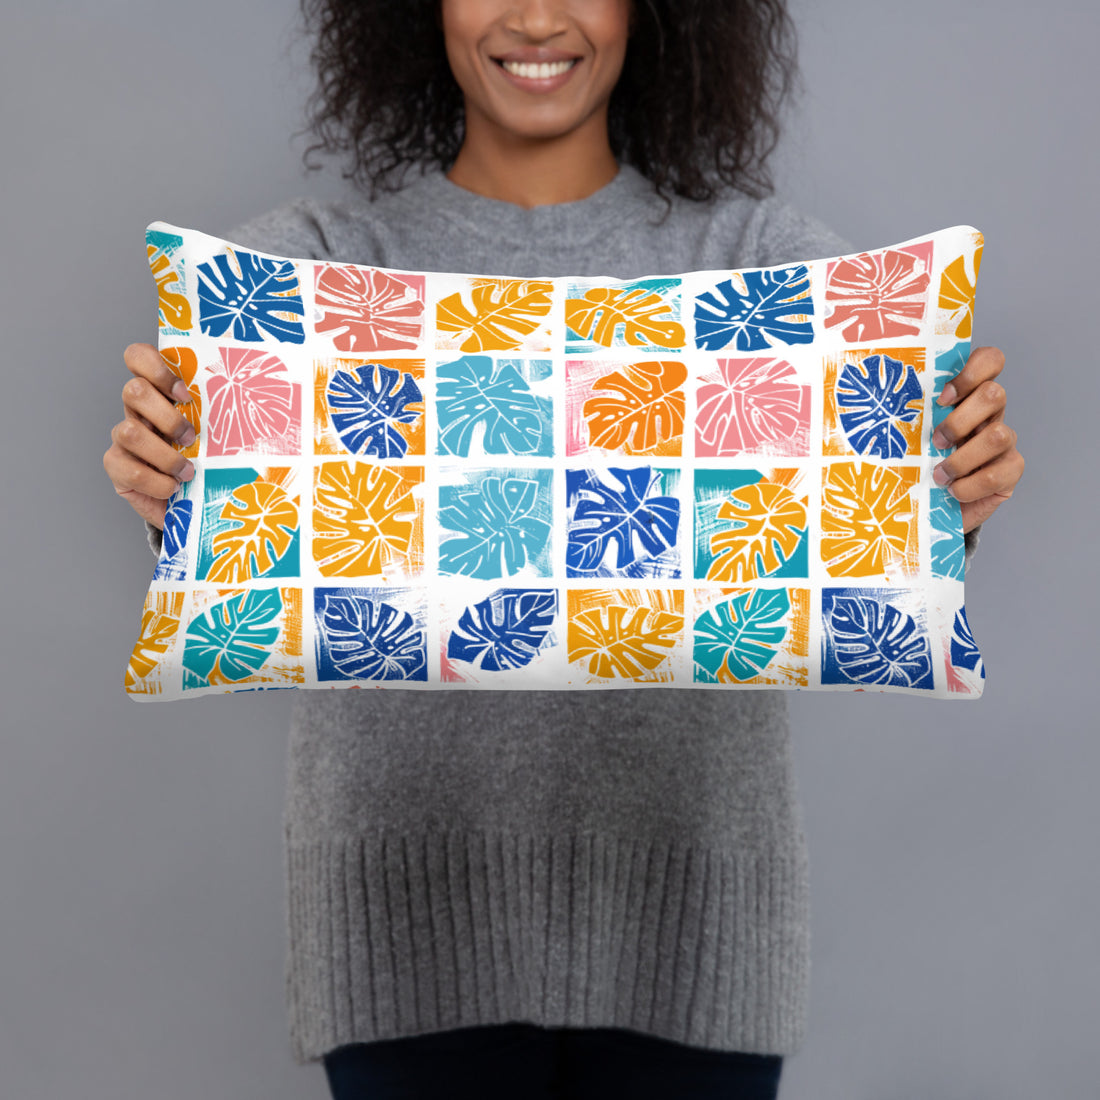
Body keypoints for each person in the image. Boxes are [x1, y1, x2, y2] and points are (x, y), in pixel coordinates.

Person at [102, 1, 1025, 1096]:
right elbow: (252, 557)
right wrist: (171, 482)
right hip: (399, 942)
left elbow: (863, 533)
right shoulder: (317, 264)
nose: (536, 17)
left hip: (697, 938)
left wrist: (950, 485)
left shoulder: (758, 265)